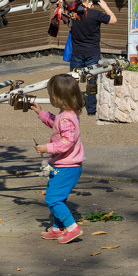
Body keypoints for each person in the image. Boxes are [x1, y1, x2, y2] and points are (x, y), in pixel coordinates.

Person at [32, 74, 84, 244]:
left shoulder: (67, 118)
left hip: (67, 166)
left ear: (58, 97)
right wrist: (41, 113)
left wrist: (47, 148)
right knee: (58, 198)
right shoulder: (67, 114)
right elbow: (56, 123)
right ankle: (56, 228)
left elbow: (66, 142)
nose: (50, 98)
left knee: (52, 199)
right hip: (65, 165)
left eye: (50, 95)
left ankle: (72, 228)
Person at [69, 0, 117, 115]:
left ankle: (72, 107)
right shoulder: (95, 14)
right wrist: (105, 7)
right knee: (92, 80)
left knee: (73, 80)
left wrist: (85, 9)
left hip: (77, 52)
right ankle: (91, 109)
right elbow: (113, 19)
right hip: (92, 52)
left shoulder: (71, 14)